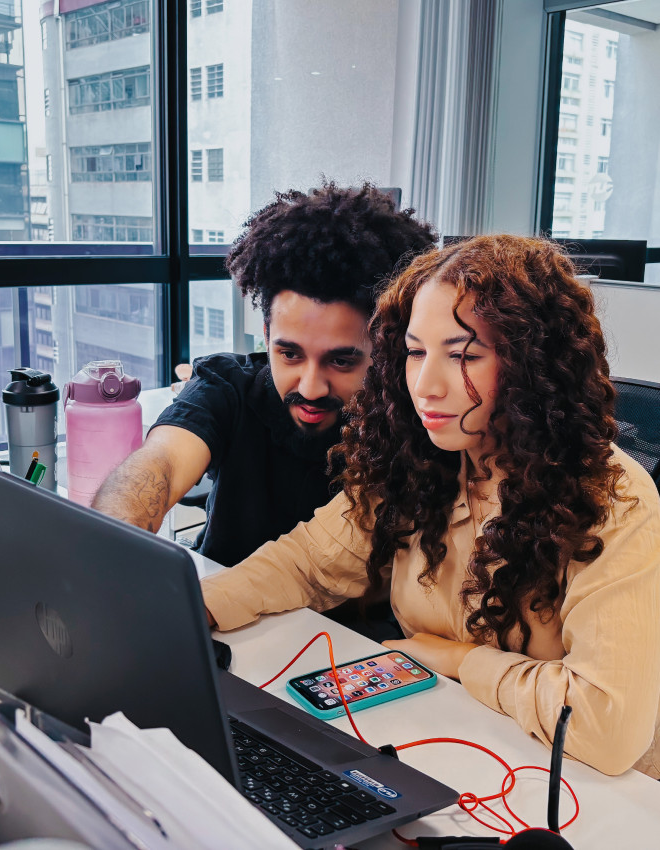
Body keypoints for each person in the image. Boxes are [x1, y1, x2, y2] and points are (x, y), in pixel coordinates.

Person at [201, 234, 660, 778]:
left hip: (586, 789)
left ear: (534, 366)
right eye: (416, 352)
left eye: (464, 355)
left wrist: (463, 662)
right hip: (455, 745)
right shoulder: (419, 457)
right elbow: (307, 563)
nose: (425, 385)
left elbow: (604, 729)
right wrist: (187, 609)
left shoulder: (615, 497)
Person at [92, 183, 437, 572]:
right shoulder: (228, 387)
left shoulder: (417, 421)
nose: (309, 387)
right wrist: (110, 548)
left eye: (341, 361)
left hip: (344, 634)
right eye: (289, 354)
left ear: (385, 347)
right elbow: (161, 463)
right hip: (218, 617)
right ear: (266, 334)